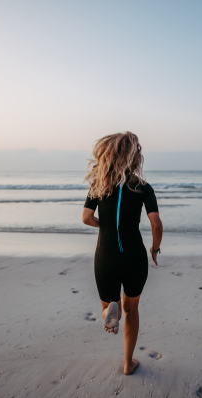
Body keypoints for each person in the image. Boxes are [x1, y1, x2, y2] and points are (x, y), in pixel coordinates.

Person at [82, 131, 163, 375]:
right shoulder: (143, 187)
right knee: (132, 309)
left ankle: (109, 310)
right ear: (134, 157)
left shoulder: (99, 184)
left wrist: (105, 226)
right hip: (134, 256)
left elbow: (86, 218)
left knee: (110, 303)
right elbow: (156, 224)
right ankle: (128, 363)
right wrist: (155, 248)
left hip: (105, 256)